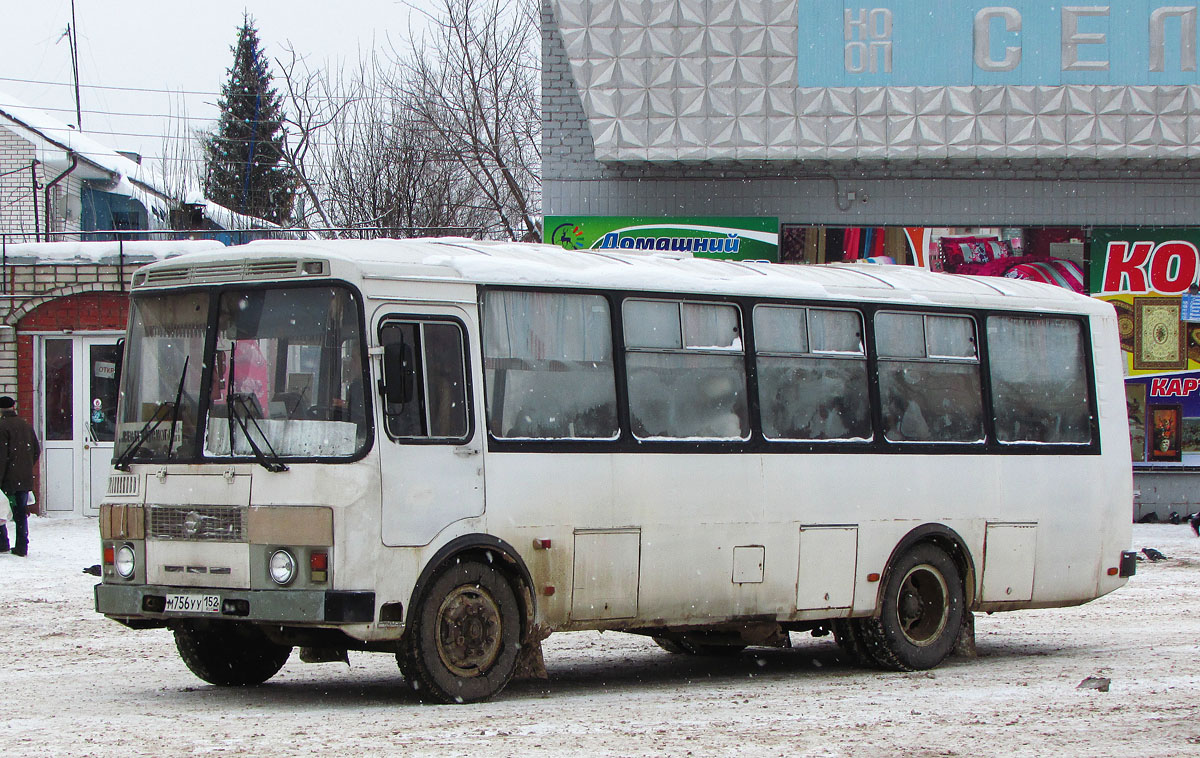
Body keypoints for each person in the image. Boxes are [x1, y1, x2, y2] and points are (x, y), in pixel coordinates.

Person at [0, 396, 41, 557]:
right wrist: (25, 467)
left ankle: (3, 542)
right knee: (20, 513)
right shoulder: (25, 425)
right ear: (14, 406)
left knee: (1, 510)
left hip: (7, 479)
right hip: (23, 478)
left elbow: (1, 457)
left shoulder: (2, 427)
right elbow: (36, 450)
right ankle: (22, 545)